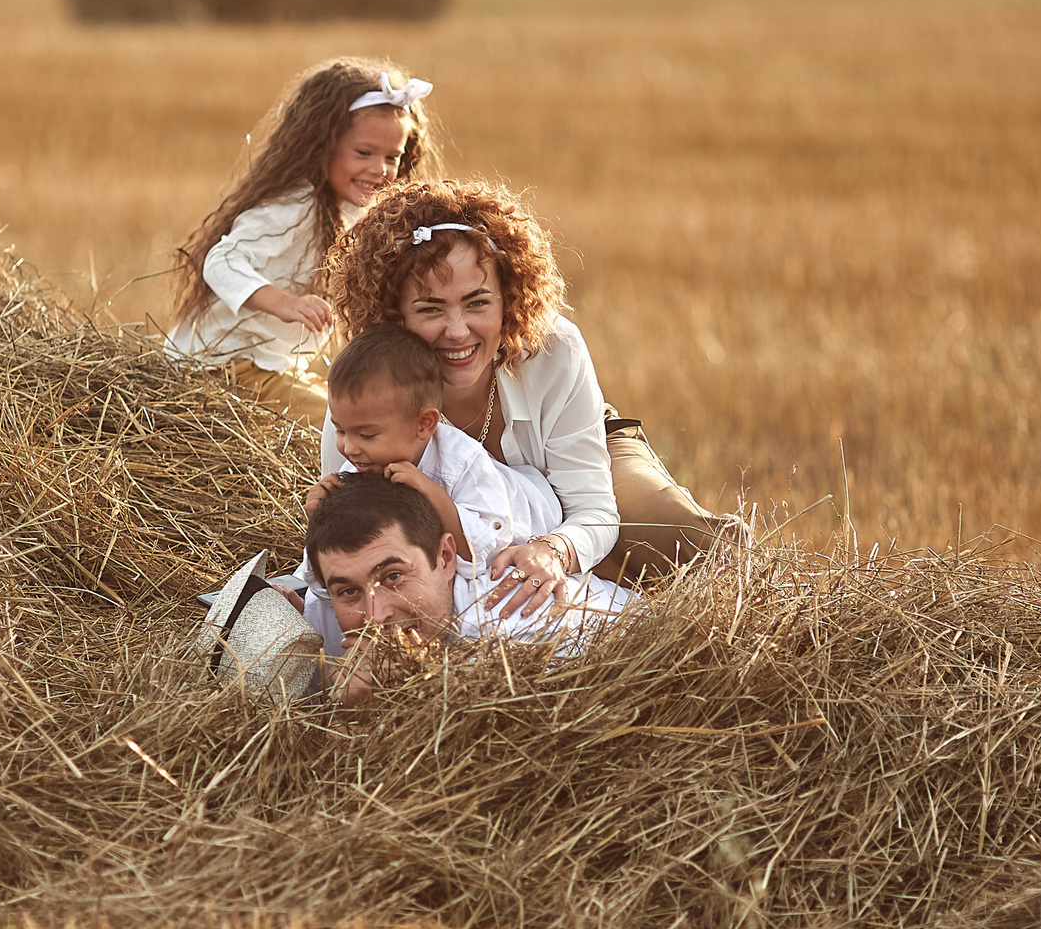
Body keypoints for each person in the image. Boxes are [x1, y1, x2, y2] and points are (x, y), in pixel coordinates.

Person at [321, 179, 735, 606]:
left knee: (672, 534)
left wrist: (553, 549)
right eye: (430, 308)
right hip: (492, 516)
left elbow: (593, 511)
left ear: (508, 299)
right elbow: (356, 539)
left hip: (580, 449)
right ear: (395, 315)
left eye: (478, 302)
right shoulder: (366, 404)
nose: (458, 331)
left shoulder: (554, 349)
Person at [164, 59, 443, 428]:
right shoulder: (295, 207)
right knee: (349, 426)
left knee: (360, 407)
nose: (380, 169)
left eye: (392, 157)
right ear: (322, 147)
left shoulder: (351, 214)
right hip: (224, 370)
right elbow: (221, 261)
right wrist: (284, 304)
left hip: (266, 369)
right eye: (363, 153)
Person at [304, 476, 632, 707]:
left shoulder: (513, 628)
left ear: (445, 558)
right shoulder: (324, 623)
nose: (375, 617)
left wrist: (361, 709)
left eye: (393, 577)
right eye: (347, 591)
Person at [305, 324, 561, 576]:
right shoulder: (361, 465)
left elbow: (482, 550)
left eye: (367, 435)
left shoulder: (462, 462)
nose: (348, 448)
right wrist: (322, 519)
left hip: (531, 526)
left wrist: (433, 495)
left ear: (424, 424)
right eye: (340, 431)